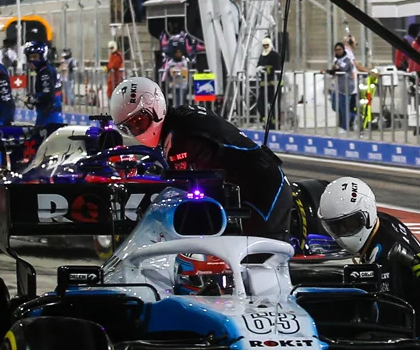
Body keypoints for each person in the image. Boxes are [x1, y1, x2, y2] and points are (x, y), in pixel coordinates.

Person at [110, 76, 297, 242]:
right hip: (251, 191)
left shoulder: (180, 138)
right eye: (130, 128)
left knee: (259, 266)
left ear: (154, 105)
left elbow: (187, 187)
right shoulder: (179, 120)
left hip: (262, 194)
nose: (137, 130)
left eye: (139, 121)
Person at [317, 177, 420, 333]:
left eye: (349, 224)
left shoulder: (385, 256)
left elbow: (390, 319)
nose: (342, 232)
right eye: (335, 226)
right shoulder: (384, 223)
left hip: (419, 328)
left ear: (367, 215)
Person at [22, 40, 60, 128]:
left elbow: (48, 95)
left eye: (35, 57)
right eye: (30, 57)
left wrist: (32, 98)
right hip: (47, 114)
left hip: (49, 116)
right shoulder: (45, 70)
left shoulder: (45, 72)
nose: (32, 60)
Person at [256, 38, 284, 129]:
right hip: (264, 85)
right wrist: (259, 68)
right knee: (260, 105)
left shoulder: (275, 55)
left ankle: (275, 124)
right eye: (264, 46)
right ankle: (266, 121)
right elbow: (259, 65)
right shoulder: (262, 55)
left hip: (274, 85)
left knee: (275, 106)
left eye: (267, 45)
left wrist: (265, 68)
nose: (265, 47)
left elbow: (276, 68)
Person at [328, 43, 356, 131]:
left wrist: (331, 70)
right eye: (336, 50)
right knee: (335, 106)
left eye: (340, 49)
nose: (338, 51)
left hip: (346, 88)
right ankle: (353, 116)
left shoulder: (347, 61)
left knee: (344, 109)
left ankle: (345, 127)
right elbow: (334, 71)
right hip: (337, 88)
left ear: (343, 50)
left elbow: (340, 70)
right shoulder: (337, 61)